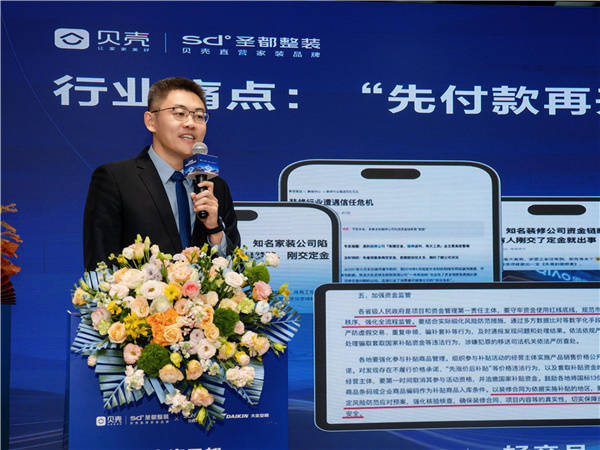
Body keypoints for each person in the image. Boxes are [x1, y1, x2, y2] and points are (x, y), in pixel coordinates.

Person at [83, 77, 240, 270]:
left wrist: (214, 229)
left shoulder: (216, 187)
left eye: (199, 116)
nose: (191, 123)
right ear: (151, 121)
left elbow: (237, 270)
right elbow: (99, 265)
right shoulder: (115, 179)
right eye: (180, 113)